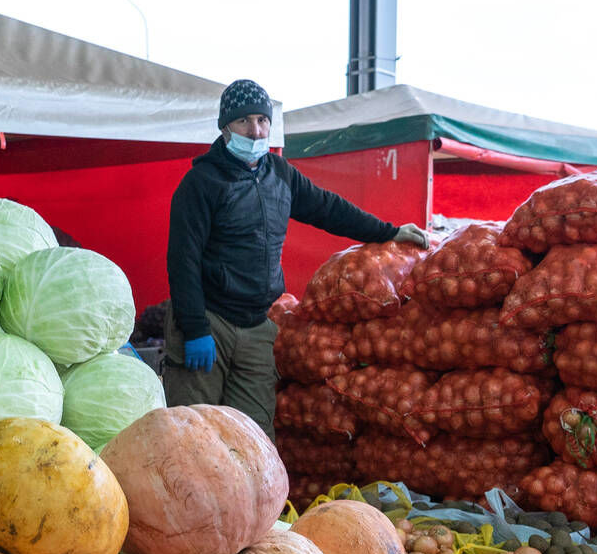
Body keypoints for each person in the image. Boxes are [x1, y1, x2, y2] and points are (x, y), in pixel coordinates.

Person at [164, 79, 429, 434]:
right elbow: (183, 260)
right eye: (244, 121)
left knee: (254, 436)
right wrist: (195, 328)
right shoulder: (201, 183)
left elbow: (329, 209)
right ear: (225, 126)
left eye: (262, 120)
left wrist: (388, 232)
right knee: (195, 432)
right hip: (211, 322)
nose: (255, 131)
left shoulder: (280, 174)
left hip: (259, 324)